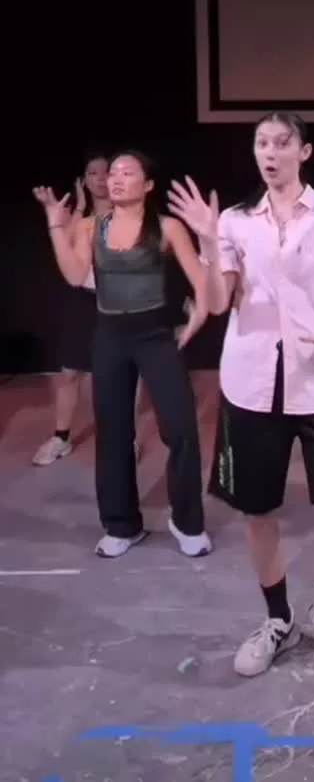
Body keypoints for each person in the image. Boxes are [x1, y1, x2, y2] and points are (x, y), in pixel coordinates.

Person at [168, 112, 314, 685]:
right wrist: (208, 239)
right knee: (257, 510)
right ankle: (279, 620)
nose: (270, 152)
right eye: (261, 142)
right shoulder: (235, 221)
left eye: (282, 142)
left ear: (304, 151)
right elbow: (218, 303)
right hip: (252, 382)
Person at [33, 150, 211, 560]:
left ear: (147, 185)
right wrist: (55, 224)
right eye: (112, 172)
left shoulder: (167, 227)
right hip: (111, 336)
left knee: (181, 428)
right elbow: (75, 275)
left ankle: (188, 522)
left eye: (127, 173)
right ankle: (121, 525)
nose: (115, 178)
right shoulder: (90, 226)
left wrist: (195, 322)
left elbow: (202, 283)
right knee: (113, 433)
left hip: (156, 337)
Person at [32, 154, 143, 466]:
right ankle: (61, 437)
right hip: (85, 299)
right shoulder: (78, 218)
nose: (101, 178)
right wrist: (76, 209)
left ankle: (127, 437)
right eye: (92, 173)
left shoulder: (132, 214)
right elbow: (67, 255)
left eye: (106, 172)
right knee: (69, 372)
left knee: (126, 376)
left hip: (122, 302)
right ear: (84, 181)